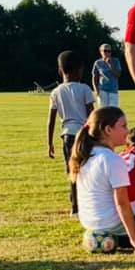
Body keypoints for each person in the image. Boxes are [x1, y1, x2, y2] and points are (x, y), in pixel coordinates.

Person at [70, 107, 135, 254]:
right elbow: (122, 203)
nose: (127, 131)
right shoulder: (111, 159)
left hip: (90, 222)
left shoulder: (86, 155)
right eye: (123, 126)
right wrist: (134, 240)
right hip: (113, 222)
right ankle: (134, 239)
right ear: (108, 130)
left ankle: (127, 239)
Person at [47, 51, 94, 215]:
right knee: (87, 168)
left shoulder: (56, 92)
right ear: (79, 70)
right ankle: (86, 202)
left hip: (67, 135)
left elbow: (51, 120)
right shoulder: (84, 89)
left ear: (60, 71)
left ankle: (75, 206)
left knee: (72, 170)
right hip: (84, 134)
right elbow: (92, 114)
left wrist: (50, 143)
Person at [92, 43, 122, 108]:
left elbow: (118, 75)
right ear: (101, 51)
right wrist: (96, 90)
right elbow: (95, 78)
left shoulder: (116, 61)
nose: (107, 53)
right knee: (103, 110)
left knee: (113, 110)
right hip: (102, 91)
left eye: (109, 51)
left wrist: (110, 65)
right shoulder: (98, 63)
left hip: (113, 90)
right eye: (105, 51)